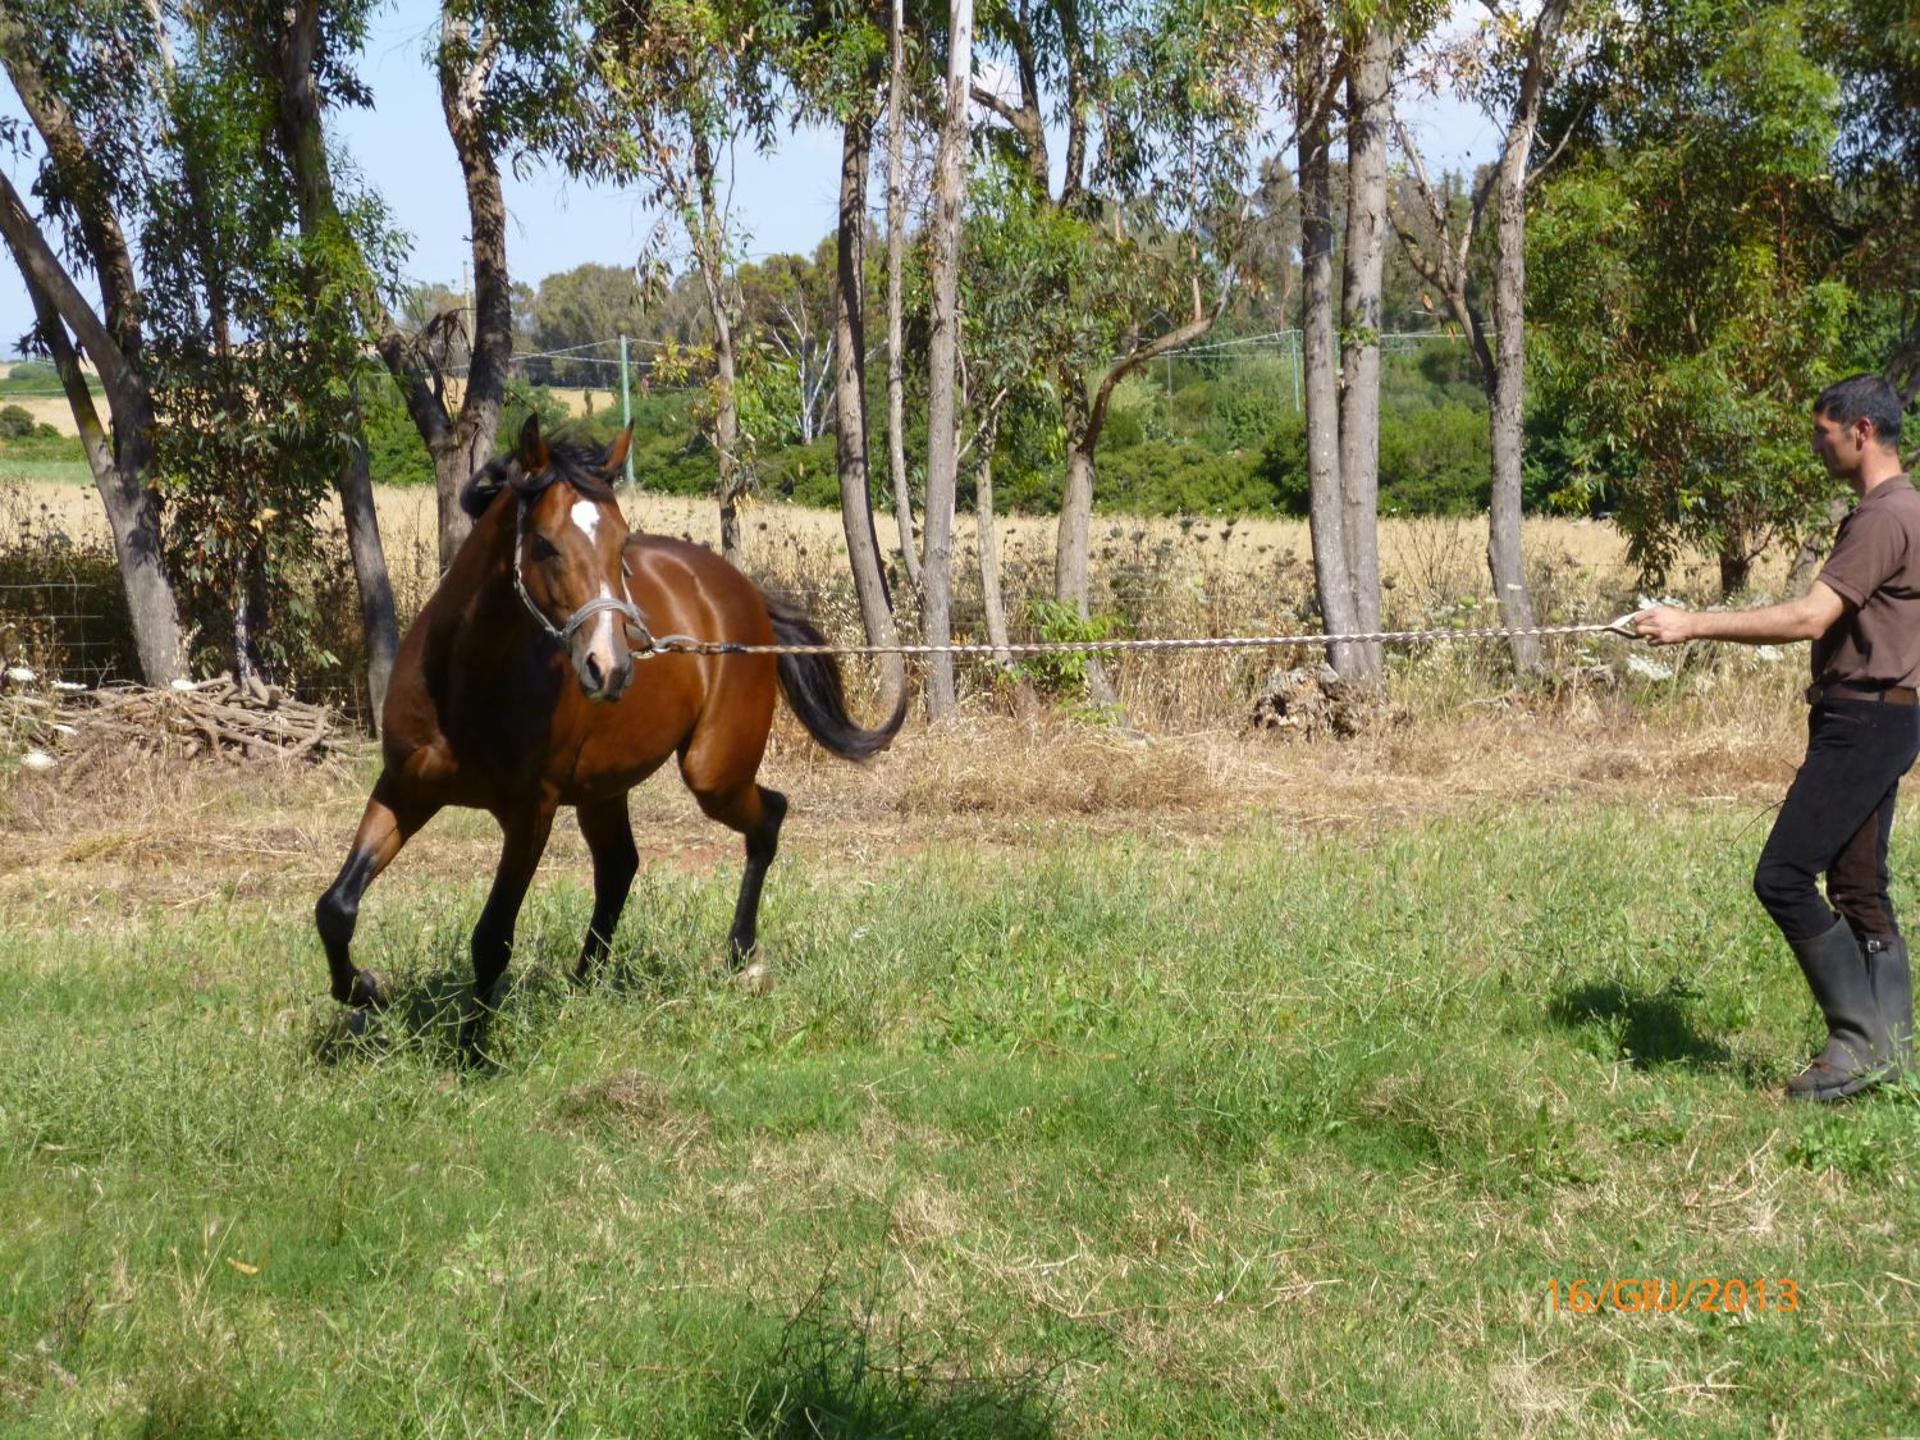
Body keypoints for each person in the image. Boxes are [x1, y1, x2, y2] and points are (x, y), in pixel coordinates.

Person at [1634, 374, 1916, 1101]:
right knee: (1857, 884)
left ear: (1859, 431)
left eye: (1822, 432)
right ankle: (1891, 1051)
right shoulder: (1908, 509)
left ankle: (1855, 1046)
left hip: (1865, 719)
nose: (1815, 445)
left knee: (1784, 876)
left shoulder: (1883, 518)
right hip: (1888, 713)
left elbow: (1807, 618)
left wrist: (1689, 623)